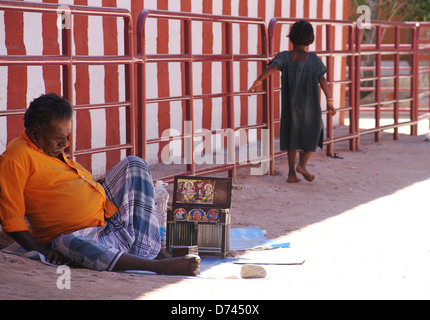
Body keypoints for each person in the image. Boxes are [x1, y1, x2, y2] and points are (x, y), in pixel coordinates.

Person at [0, 93, 200, 276]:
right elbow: (12, 221)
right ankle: (157, 265)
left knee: (135, 164)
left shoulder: (47, 148)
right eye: (59, 140)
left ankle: (154, 251)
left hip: (106, 220)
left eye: (67, 138)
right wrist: (42, 251)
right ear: (35, 133)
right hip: (72, 236)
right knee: (69, 242)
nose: (65, 145)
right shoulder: (16, 157)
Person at [249, 20, 336, 183]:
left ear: (291, 37)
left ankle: (291, 174)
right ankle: (302, 164)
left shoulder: (284, 56)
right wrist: (330, 101)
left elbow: (272, 68)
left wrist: (258, 81)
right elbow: (323, 80)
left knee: (292, 136)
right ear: (311, 38)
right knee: (315, 132)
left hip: (290, 107)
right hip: (311, 107)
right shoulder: (314, 59)